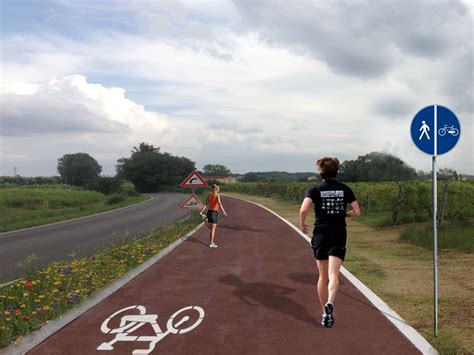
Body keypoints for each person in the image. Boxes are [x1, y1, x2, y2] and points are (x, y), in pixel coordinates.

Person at [299, 157, 360, 328]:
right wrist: (345, 215)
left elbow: (303, 209)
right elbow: (357, 211)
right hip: (338, 233)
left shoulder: (315, 189)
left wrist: (302, 224)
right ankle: (331, 302)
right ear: (336, 171)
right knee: (334, 275)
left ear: (321, 171)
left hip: (320, 234)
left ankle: (325, 313)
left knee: (322, 276)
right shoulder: (345, 189)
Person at [200, 184, 228, 248]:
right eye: (217, 188)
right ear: (215, 189)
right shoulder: (217, 195)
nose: (218, 189)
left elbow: (206, 204)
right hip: (214, 213)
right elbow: (219, 204)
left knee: (210, 228)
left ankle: (204, 220)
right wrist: (224, 212)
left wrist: (201, 211)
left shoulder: (210, 195)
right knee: (213, 229)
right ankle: (211, 243)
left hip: (209, 212)